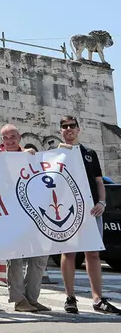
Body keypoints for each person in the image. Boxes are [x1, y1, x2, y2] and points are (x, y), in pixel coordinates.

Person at [57, 115, 121, 314]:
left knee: (93, 254)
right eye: (64, 127)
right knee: (68, 253)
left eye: (72, 126)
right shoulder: (56, 154)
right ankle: (70, 297)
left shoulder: (90, 154)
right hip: (68, 212)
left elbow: (99, 181)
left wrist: (102, 202)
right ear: (61, 130)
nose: (68, 129)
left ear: (78, 129)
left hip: (92, 211)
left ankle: (97, 298)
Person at [0, 124, 49, 312]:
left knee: (40, 257)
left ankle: (32, 298)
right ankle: (19, 301)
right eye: (5, 138)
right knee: (16, 259)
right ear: (2, 141)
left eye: (12, 137)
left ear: (19, 137)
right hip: (11, 215)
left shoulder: (30, 155)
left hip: (34, 213)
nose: (9, 141)